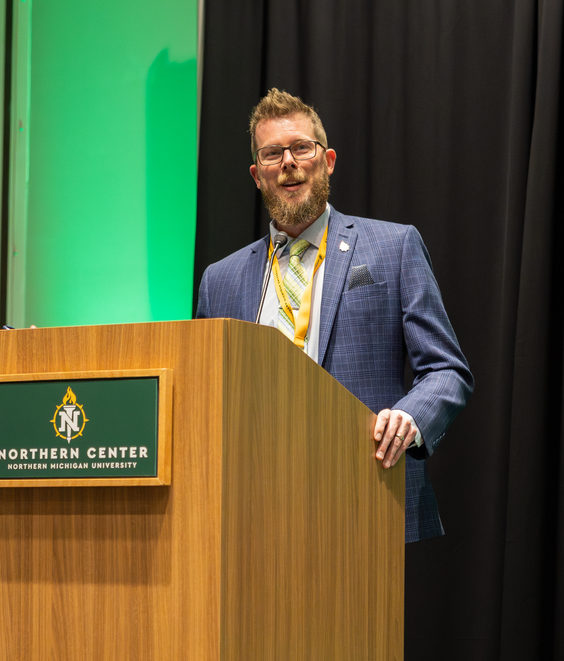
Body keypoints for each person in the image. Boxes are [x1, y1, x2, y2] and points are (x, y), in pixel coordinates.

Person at [195, 88, 473, 541]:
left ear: (327, 161)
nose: (288, 161)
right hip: (250, 508)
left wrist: (410, 418)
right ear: (256, 175)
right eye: (272, 154)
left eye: (301, 148)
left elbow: (446, 370)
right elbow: (202, 396)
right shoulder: (220, 280)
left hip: (362, 493)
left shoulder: (392, 248)